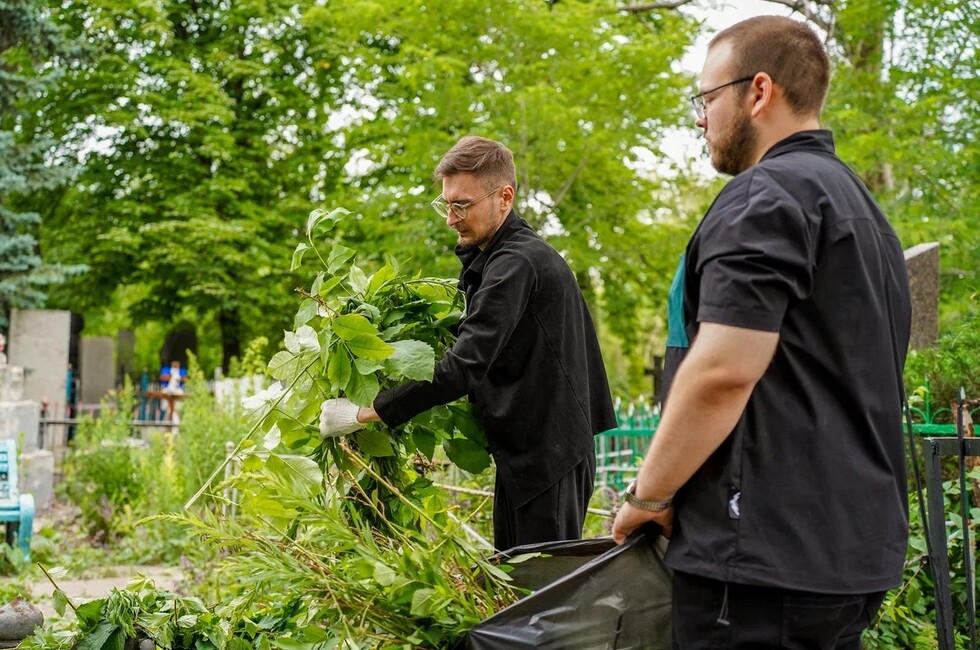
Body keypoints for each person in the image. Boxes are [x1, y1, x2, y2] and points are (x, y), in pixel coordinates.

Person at [611, 16, 911, 648]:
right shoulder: (864, 213)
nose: (700, 119)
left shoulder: (764, 195)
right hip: (844, 559)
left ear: (759, 92)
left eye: (707, 98)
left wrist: (650, 493)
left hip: (757, 568)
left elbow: (724, 371)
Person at [320, 135, 617, 551]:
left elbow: (463, 366)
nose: (450, 218)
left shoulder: (515, 264)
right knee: (517, 586)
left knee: (543, 596)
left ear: (504, 197)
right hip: (533, 453)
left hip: (549, 458)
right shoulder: (505, 259)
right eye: (446, 204)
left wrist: (365, 414)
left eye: (462, 205)